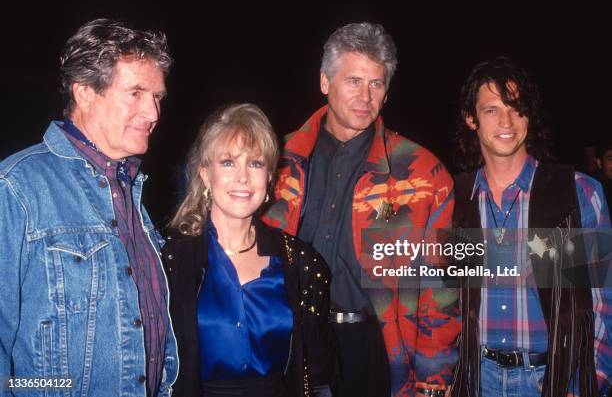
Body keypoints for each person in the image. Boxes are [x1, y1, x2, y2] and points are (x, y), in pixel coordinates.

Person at [263, 22, 459, 397]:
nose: (365, 96)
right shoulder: (274, 159)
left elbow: (441, 287)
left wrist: (433, 378)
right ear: (325, 81)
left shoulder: (424, 174)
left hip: (376, 350)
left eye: (376, 84)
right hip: (290, 342)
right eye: (353, 80)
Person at [0, 19, 177, 396]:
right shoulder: (17, 188)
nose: (153, 112)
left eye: (157, 96)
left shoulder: (134, 194)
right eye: (136, 93)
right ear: (84, 93)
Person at [451, 57, 612, 397]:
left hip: (553, 379)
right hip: (474, 380)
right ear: (471, 118)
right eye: (492, 109)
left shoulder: (577, 192)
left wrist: (590, 381)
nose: (506, 120)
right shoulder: (452, 199)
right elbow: (435, 298)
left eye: (517, 108)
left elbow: (603, 300)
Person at [162, 103, 334, 397]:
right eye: (228, 162)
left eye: (255, 163)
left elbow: (317, 375)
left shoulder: (301, 263)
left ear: (269, 177)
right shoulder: (169, 258)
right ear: (205, 174)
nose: (242, 177)